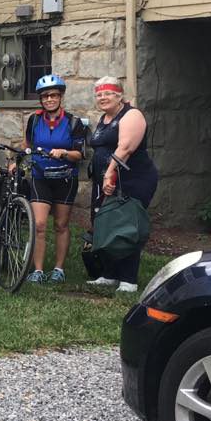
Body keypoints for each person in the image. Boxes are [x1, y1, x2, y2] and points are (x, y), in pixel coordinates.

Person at [86, 76, 158, 293]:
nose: (102, 98)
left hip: (133, 179)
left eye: (108, 93)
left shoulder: (131, 115)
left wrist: (109, 174)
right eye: (99, 94)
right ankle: (109, 274)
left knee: (126, 226)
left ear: (119, 96)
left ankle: (128, 279)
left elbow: (125, 147)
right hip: (105, 181)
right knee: (106, 224)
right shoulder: (104, 119)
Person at [23, 75, 86, 284]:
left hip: (65, 179)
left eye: (54, 95)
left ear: (60, 97)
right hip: (40, 176)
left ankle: (59, 269)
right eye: (45, 96)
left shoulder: (73, 122)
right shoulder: (33, 121)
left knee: (61, 224)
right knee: (39, 224)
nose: (50, 99)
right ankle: (38, 270)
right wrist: (20, 160)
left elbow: (80, 154)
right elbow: (28, 146)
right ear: (41, 99)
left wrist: (64, 152)